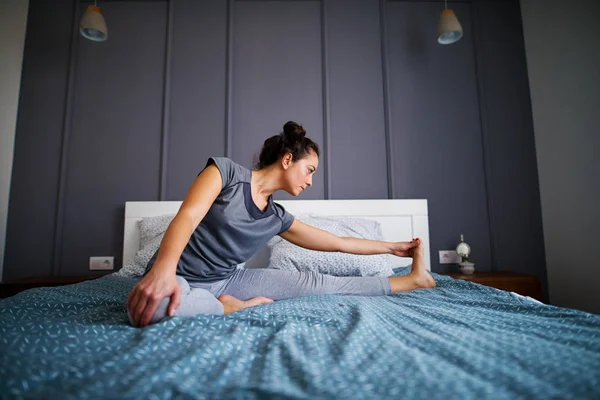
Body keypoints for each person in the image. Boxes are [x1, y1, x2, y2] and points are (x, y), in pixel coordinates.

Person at [126, 121, 436, 328]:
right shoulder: (226, 174)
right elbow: (188, 216)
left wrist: (393, 247)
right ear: (287, 160)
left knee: (318, 283)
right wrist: (163, 272)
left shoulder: (276, 218)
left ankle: (413, 280)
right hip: (176, 275)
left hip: (227, 282)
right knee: (149, 309)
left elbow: (338, 242)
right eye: (309, 170)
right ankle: (230, 308)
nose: (311, 181)